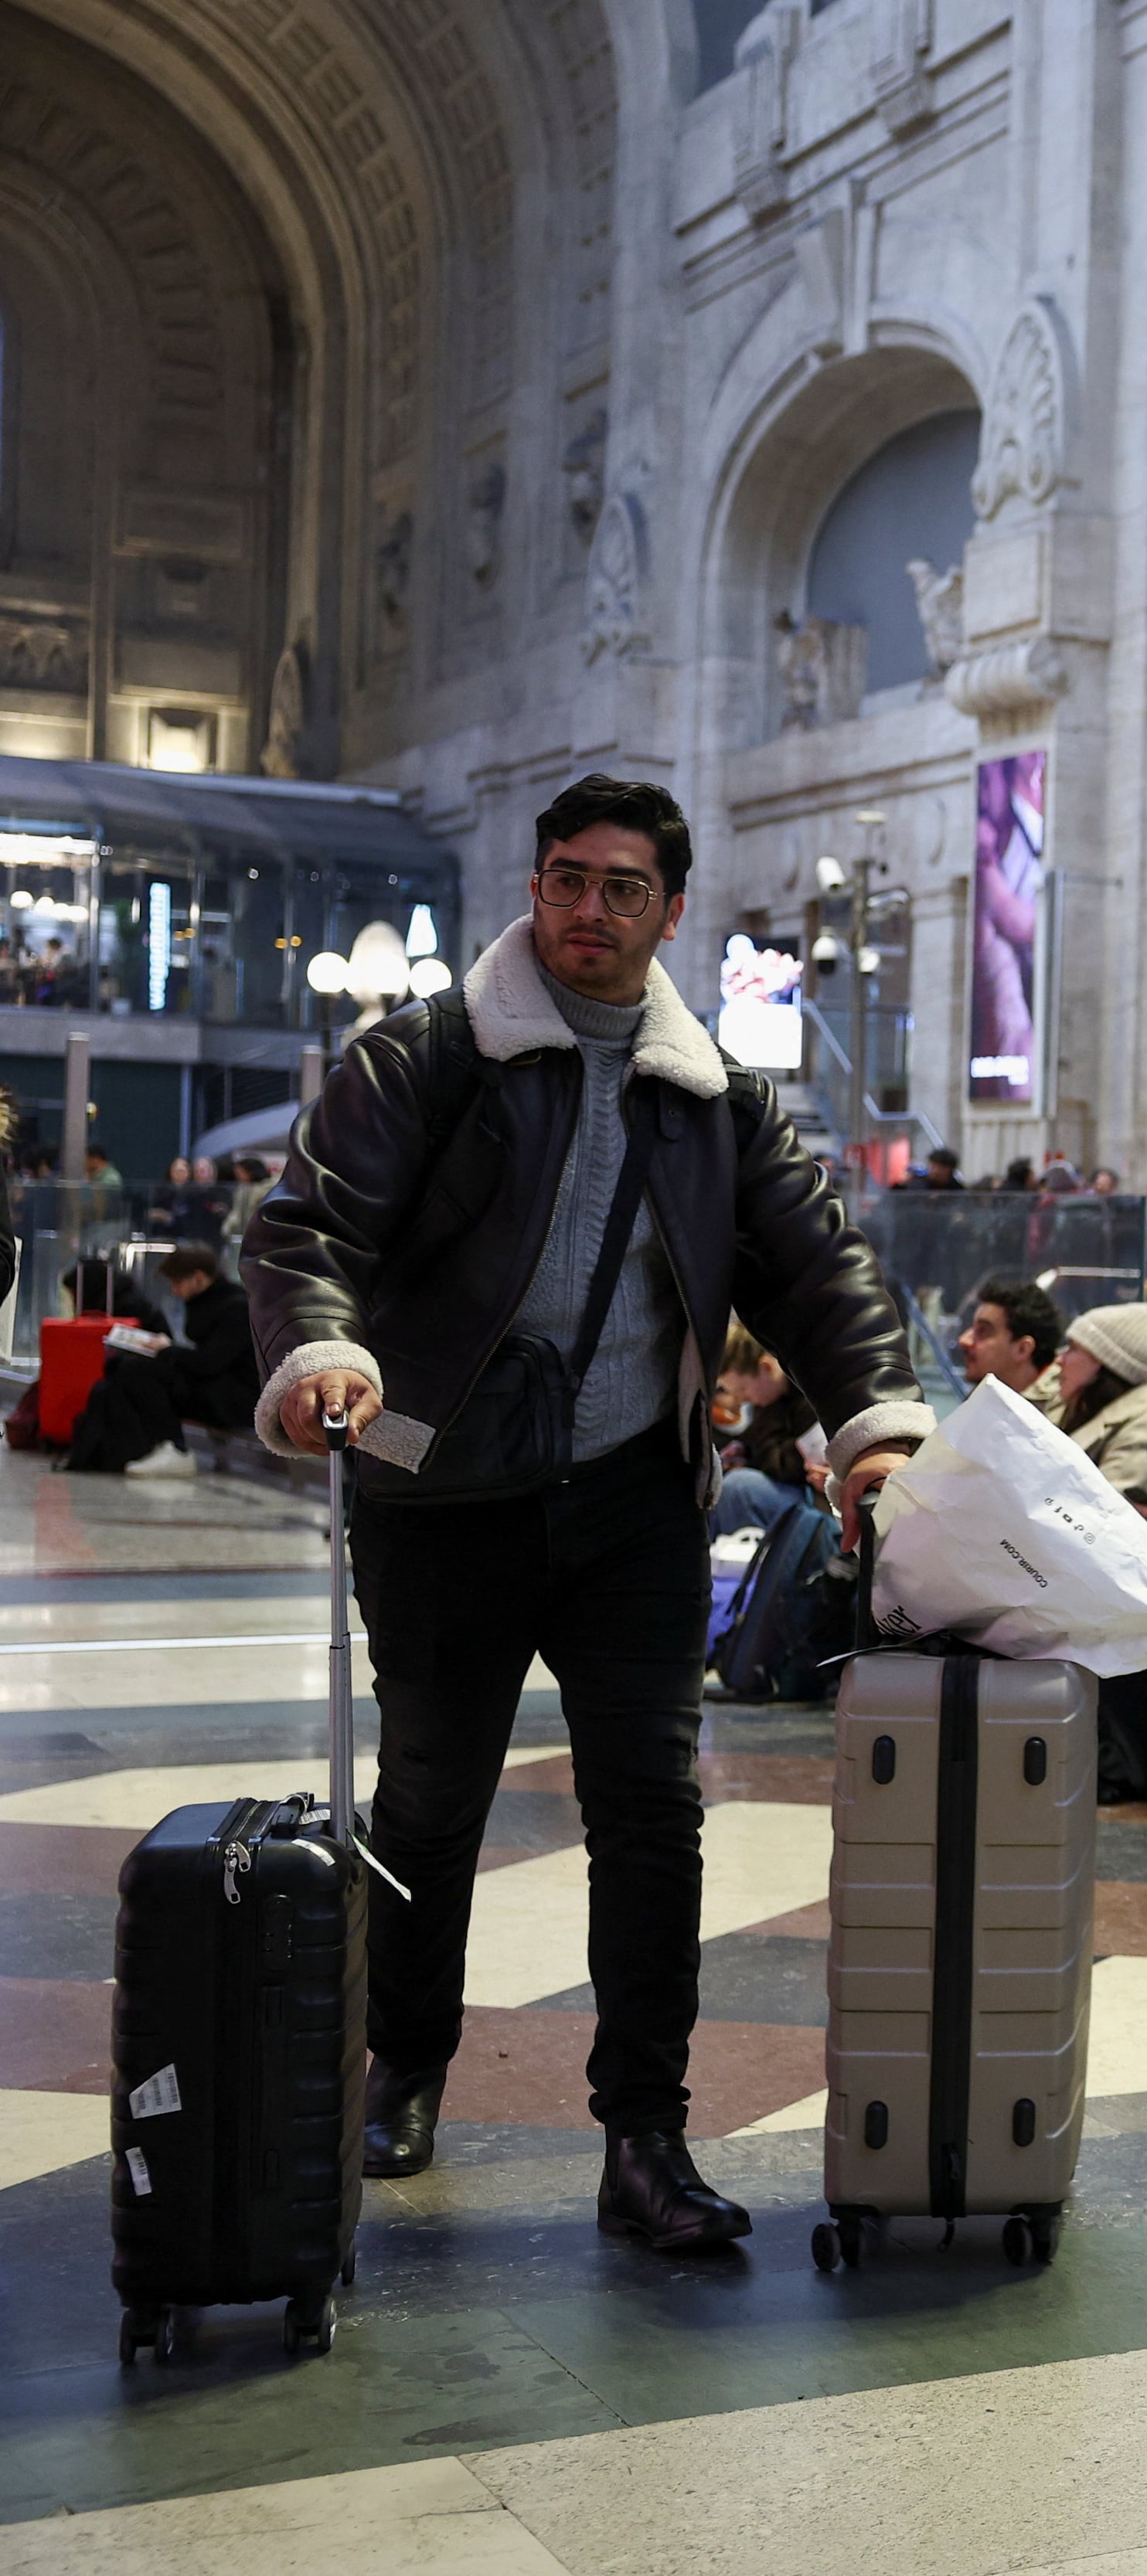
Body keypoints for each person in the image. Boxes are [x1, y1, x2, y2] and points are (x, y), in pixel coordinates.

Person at [244, 771, 932, 2247]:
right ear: (534, 885)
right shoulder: (431, 1052)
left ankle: (645, 2133)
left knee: (651, 1812)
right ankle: (407, 2059)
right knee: (430, 1796)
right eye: (566, 878)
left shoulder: (714, 1097)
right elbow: (311, 1223)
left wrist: (874, 1422)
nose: (589, 910)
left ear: (671, 911)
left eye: (624, 886)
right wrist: (321, 1349)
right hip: (442, 1488)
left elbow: (822, 1269)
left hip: (633, 1500)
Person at [60, 1243, 257, 1475]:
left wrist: (167, 1350)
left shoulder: (235, 1308)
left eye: (177, 1283)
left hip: (235, 1399)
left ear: (199, 1278)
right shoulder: (211, 1302)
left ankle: (175, 1447)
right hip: (217, 1387)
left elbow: (209, 1363)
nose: (174, 1291)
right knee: (130, 1369)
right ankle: (141, 1446)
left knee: (144, 1373)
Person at [707, 1325, 822, 1538]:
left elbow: (795, 1467)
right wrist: (745, 1450)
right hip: (795, 1491)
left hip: (816, 1501)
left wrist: (754, 1455)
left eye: (742, 1390)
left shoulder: (812, 1396)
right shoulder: (771, 1399)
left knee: (738, 1488)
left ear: (766, 1368)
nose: (740, 1400)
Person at [1047, 1301, 1147, 1489]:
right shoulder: (1070, 1404)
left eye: (1073, 1348)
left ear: (1104, 1361)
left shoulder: (1146, 1427)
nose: (1060, 1360)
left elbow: (1105, 1510)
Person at [953, 1273, 1063, 1402]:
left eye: (983, 1331)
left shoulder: (1059, 1417)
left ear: (1022, 1349)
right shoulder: (979, 1401)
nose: (964, 1340)